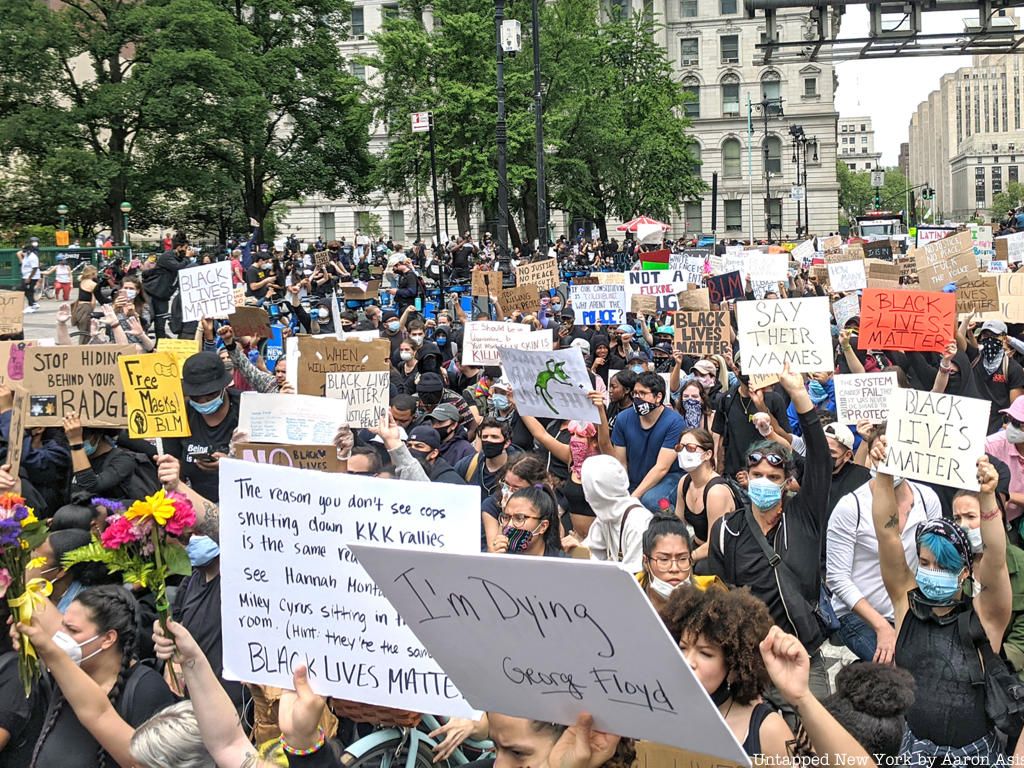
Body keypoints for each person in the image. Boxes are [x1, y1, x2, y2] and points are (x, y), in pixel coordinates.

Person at [872, 452, 1011, 762]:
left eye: (943, 566)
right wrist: (883, 474)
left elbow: (997, 559)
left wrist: (987, 499)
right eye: (924, 563)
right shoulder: (906, 605)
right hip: (915, 750)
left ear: (964, 571)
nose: (931, 572)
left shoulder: (985, 616)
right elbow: (886, 533)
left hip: (975, 754)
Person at [707, 364, 833, 700]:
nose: (765, 482)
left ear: (787, 482)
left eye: (774, 477)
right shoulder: (726, 531)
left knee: (816, 746)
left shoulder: (803, 516)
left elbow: (821, 458)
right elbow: (721, 599)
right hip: (751, 664)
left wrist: (799, 396)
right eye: (757, 475)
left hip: (803, 657)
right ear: (745, 478)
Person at [24, 585, 176, 768]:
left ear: (108, 639)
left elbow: (149, 761)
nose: (60, 637)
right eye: (62, 626)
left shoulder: (146, 689)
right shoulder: (67, 675)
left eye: (72, 630)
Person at [660, 585, 795, 760]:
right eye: (683, 648)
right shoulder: (663, 716)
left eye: (705, 653)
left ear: (733, 663)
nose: (688, 662)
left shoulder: (768, 729)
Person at [162, 351, 240, 502]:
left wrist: (230, 462)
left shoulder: (243, 408)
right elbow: (173, 458)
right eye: (196, 397)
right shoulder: (180, 414)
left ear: (223, 387)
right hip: (194, 499)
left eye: (210, 395)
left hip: (239, 499)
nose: (203, 401)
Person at [608, 372, 685, 514]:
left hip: (668, 479)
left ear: (658, 397)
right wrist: (622, 491)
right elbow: (621, 462)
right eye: (635, 393)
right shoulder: (623, 419)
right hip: (634, 477)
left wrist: (634, 497)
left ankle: (674, 521)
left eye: (643, 393)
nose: (637, 397)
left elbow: (662, 468)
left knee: (652, 502)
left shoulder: (675, 422)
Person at [560, 454, 652, 570]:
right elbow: (592, 552)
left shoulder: (638, 522)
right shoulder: (606, 516)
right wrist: (577, 548)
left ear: (595, 491)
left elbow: (633, 574)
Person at [675, 427, 735, 563]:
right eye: (680, 447)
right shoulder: (684, 482)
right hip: (696, 545)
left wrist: (686, 560)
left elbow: (715, 543)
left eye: (690, 448)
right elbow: (678, 526)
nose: (684, 452)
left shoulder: (716, 492)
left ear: (707, 454)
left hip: (721, 555)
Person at [490, 484, 564, 557]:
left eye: (519, 518)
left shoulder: (561, 563)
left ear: (543, 526)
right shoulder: (501, 555)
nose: (509, 525)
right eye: (506, 517)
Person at [142, 234, 192, 339]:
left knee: (160, 324)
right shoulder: (167, 256)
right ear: (179, 247)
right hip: (151, 292)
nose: (187, 250)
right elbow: (178, 268)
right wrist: (187, 257)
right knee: (147, 319)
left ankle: (159, 345)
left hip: (163, 296)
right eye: (186, 248)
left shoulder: (180, 259)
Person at [824, 422, 870, 515]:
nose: (823, 455)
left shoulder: (861, 478)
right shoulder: (808, 473)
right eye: (820, 449)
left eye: (831, 452)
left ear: (847, 455)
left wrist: (866, 440)